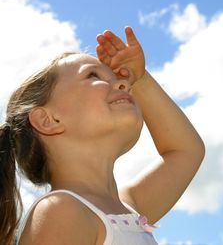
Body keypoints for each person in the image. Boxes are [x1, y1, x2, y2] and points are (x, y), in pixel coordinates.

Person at [0, 26, 205, 245]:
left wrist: (140, 79)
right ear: (48, 120)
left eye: (122, 80)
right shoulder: (62, 211)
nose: (125, 84)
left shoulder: (128, 207)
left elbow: (186, 151)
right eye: (93, 75)